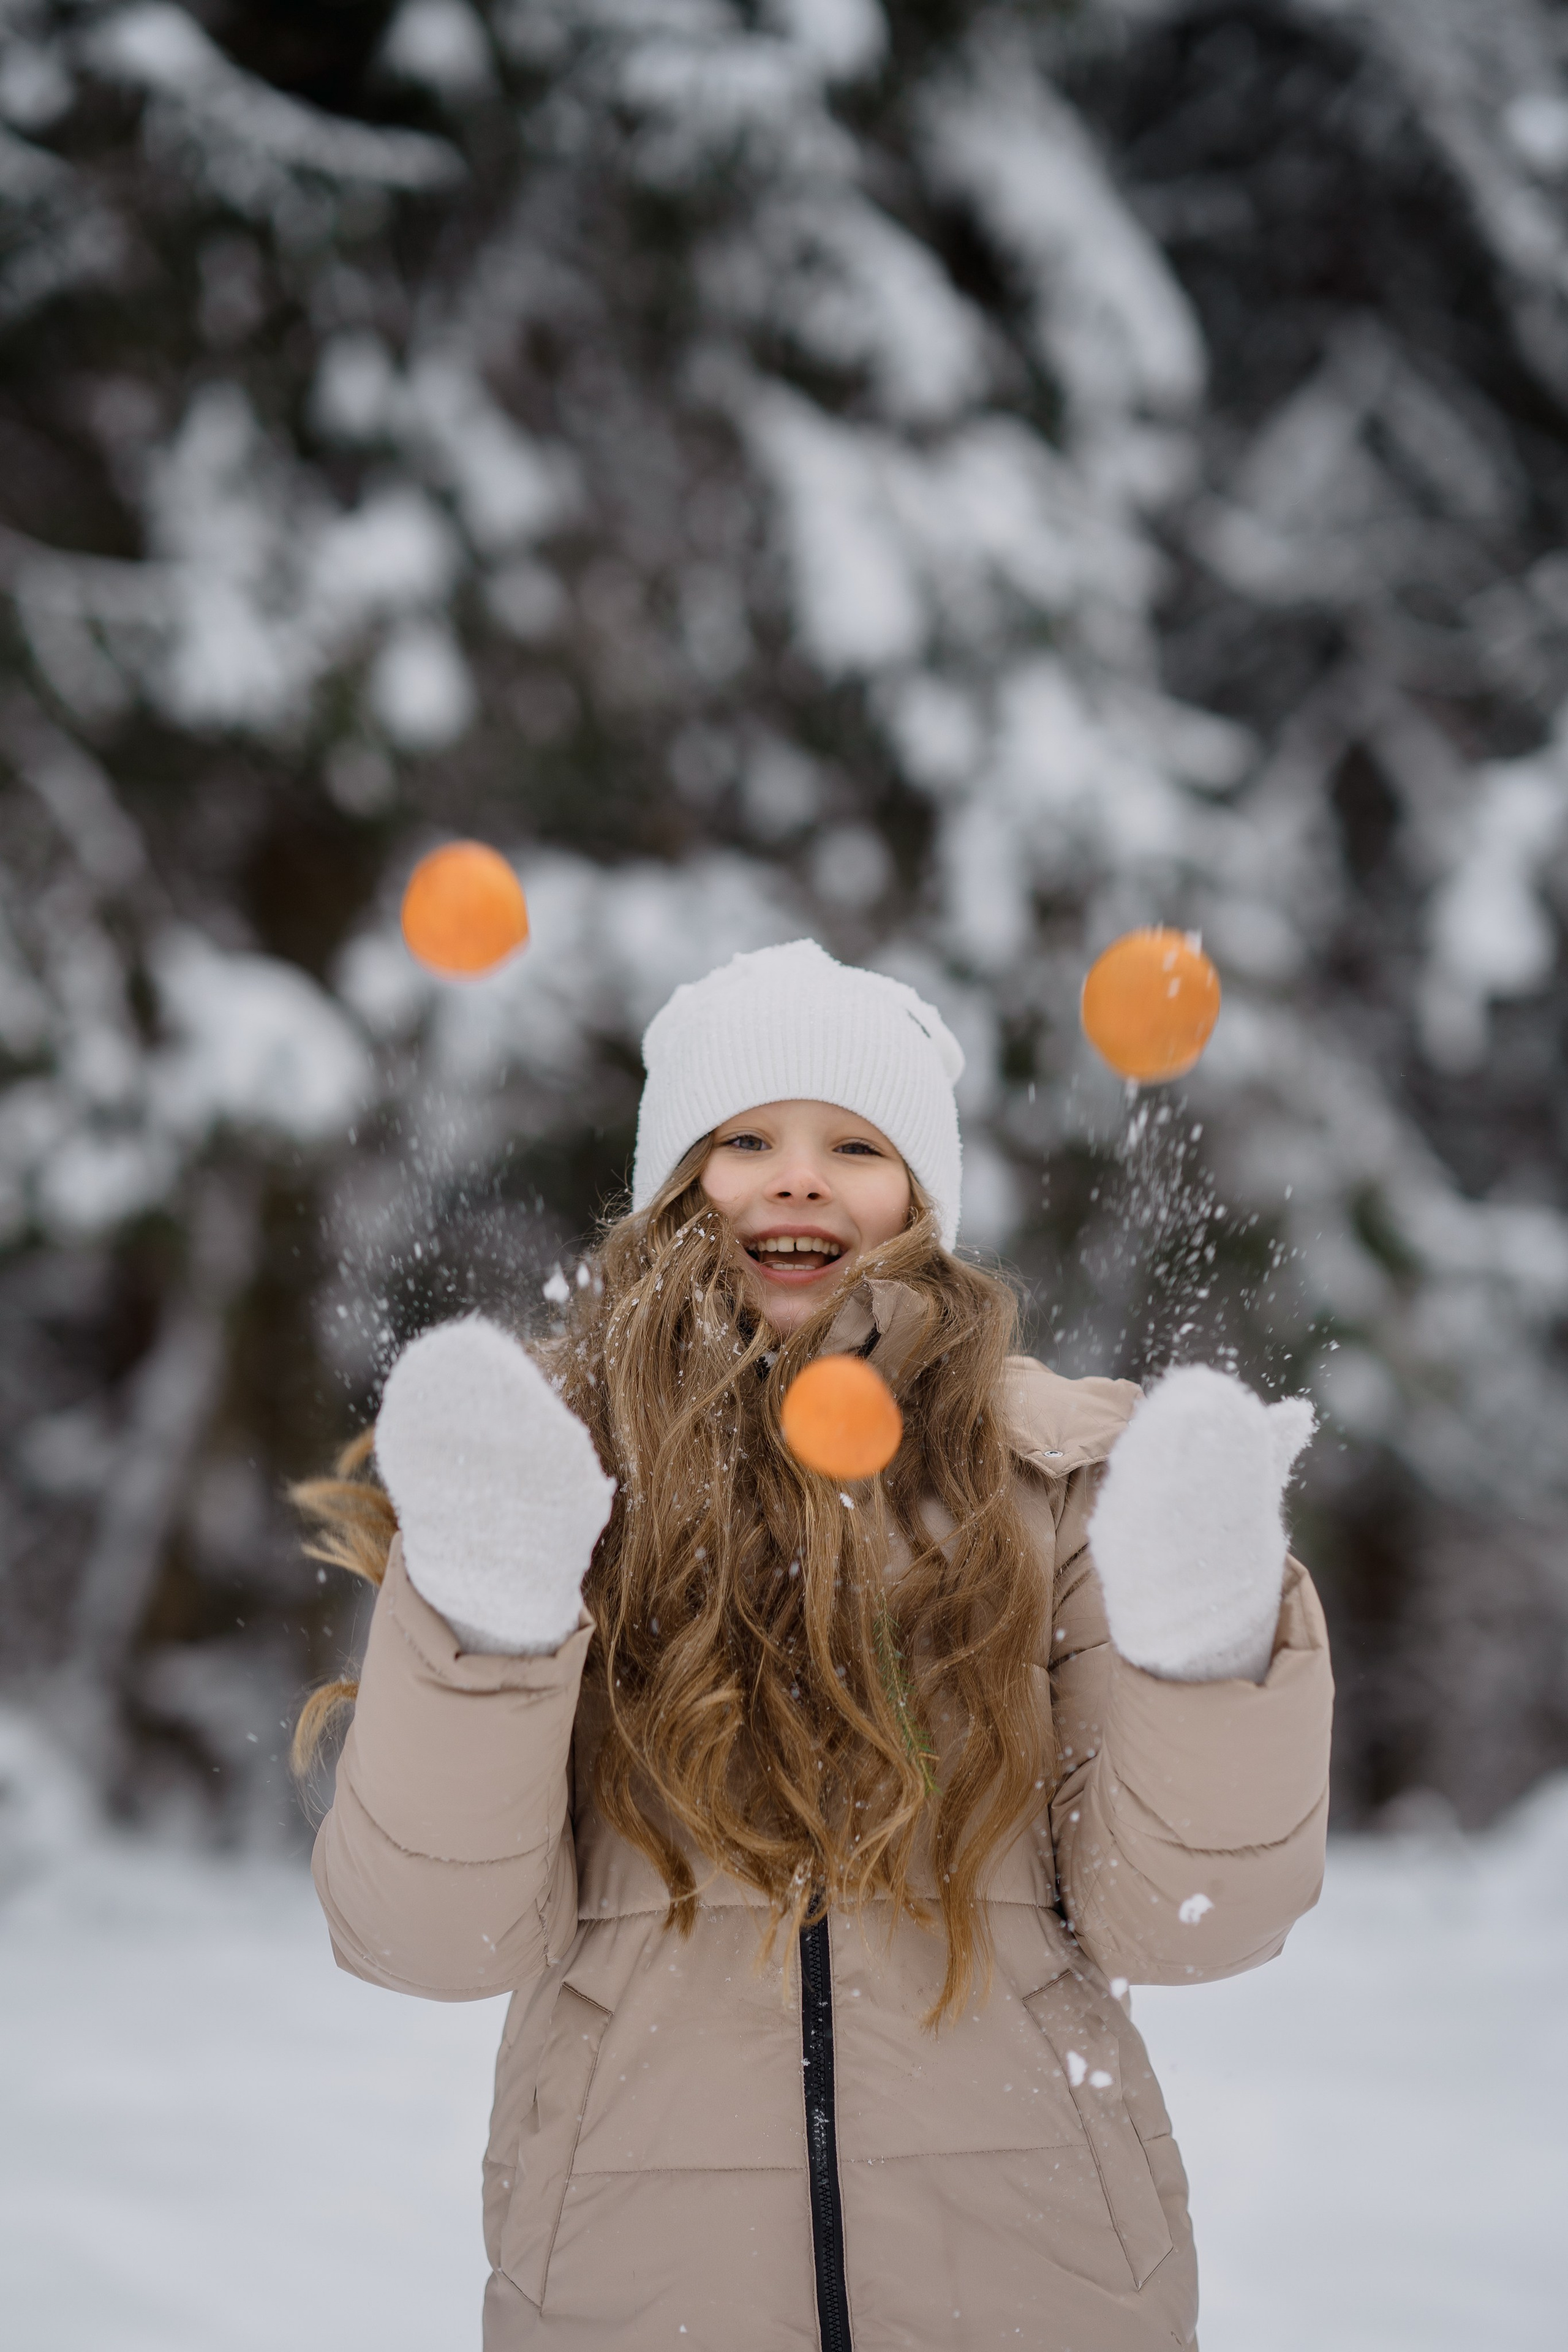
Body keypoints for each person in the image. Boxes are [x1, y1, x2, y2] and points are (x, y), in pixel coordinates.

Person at [296, 938, 1332, 2351]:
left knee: (1174, 1641)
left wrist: (1204, 1653)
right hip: (638, 2275)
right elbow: (431, 1937)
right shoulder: (550, 1483)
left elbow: (1184, 1923)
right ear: (674, 1184)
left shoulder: (1052, 1484)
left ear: (920, 1198)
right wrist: (491, 1612)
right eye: (745, 1141)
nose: (796, 1177)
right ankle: (483, 1631)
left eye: (854, 1143)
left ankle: (1194, 1646)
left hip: (1035, 2265)